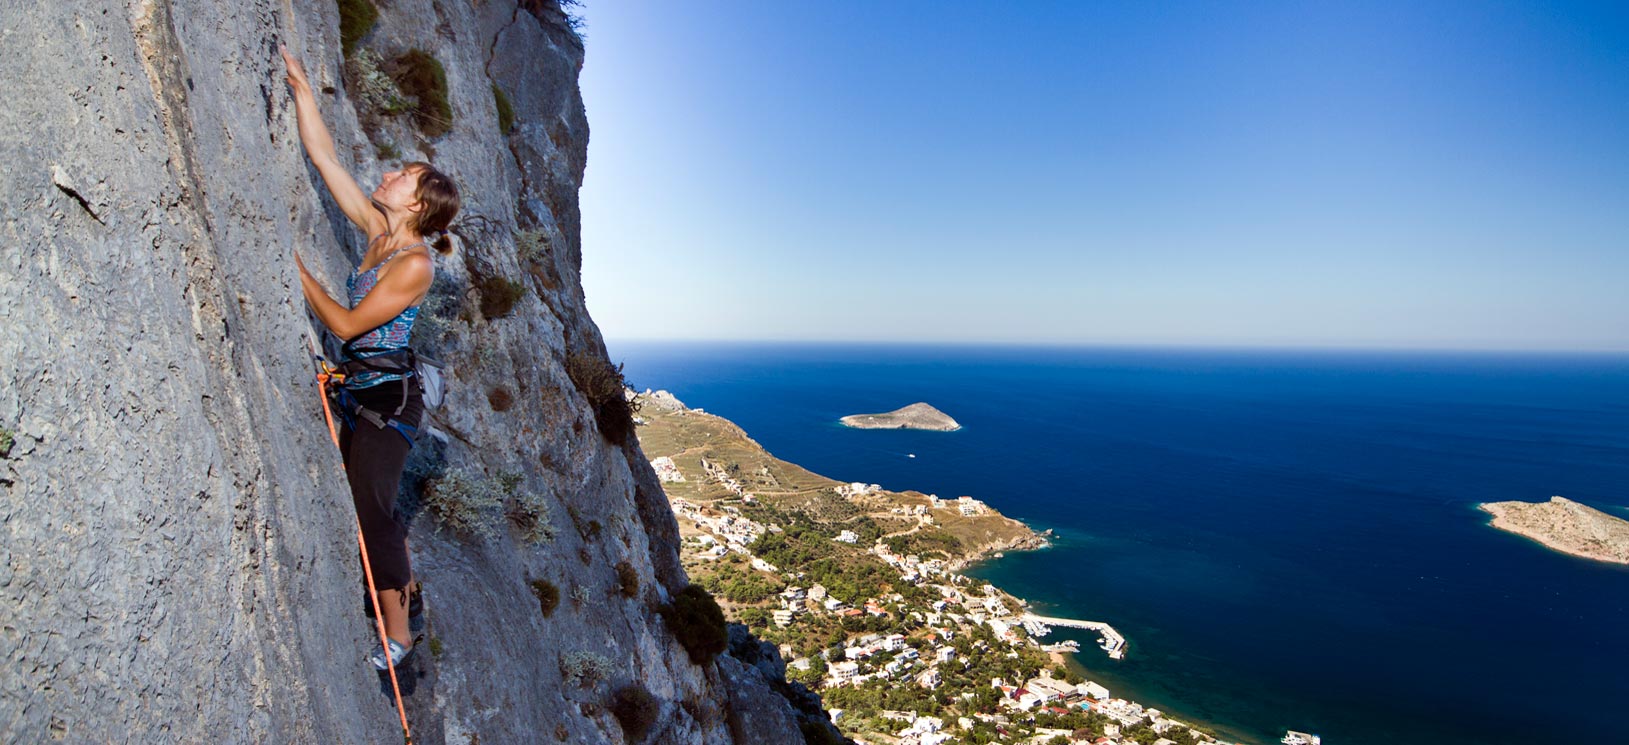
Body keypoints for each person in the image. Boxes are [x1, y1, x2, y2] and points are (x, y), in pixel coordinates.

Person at [280, 43, 461, 671]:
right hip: (364, 389)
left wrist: (294, 272)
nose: (384, 177)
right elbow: (325, 158)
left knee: (371, 505)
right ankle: (395, 603)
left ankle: (401, 632)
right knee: (362, 502)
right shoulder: (380, 233)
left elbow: (351, 323)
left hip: (391, 400)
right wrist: (303, 87)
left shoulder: (414, 263)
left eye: (399, 178)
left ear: (416, 204)